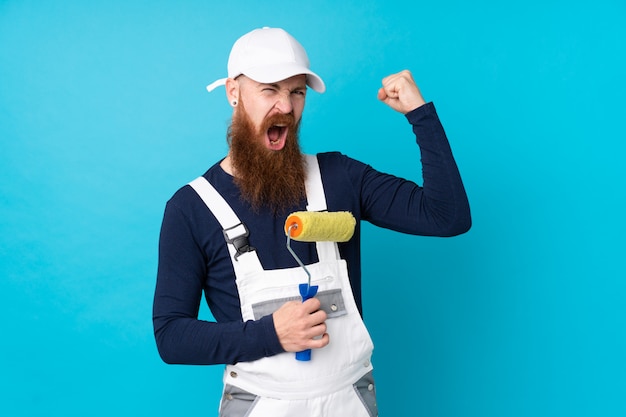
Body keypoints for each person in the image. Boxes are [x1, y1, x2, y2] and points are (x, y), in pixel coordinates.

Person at [153, 27, 471, 417]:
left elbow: (448, 216)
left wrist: (420, 116)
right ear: (233, 92)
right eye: (270, 89)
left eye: (297, 91)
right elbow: (171, 337)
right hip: (260, 406)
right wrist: (271, 334)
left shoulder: (340, 177)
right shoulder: (192, 207)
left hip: (349, 402)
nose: (286, 107)